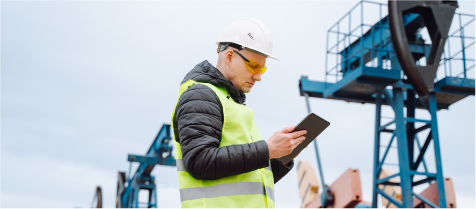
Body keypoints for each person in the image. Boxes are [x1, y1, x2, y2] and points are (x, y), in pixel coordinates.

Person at [171, 17, 306, 209]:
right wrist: (266, 150)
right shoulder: (200, 95)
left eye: (263, 69)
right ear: (229, 56)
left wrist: (282, 156)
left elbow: (249, 179)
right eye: (253, 66)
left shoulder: (234, 106)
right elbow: (199, 161)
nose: (258, 77)